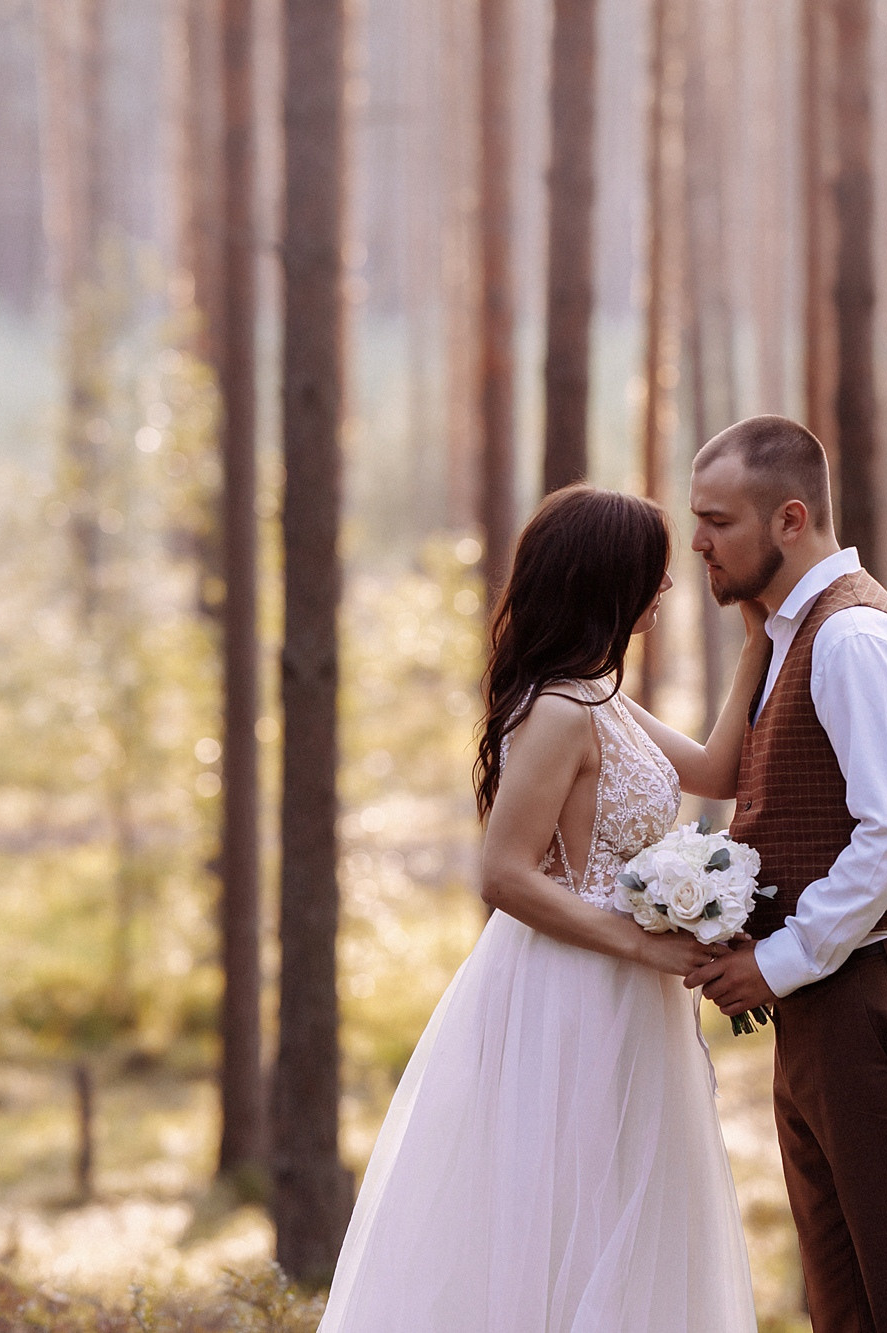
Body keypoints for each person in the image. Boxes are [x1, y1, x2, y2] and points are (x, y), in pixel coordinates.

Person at [316, 484, 769, 1332]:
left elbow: (716, 770)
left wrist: (756, 641)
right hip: (570, 992)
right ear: (610, 580)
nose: (667, 587)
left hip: (631, 995)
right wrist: (646, 945)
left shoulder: (602, 697)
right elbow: (506, 876)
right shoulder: (560, 710)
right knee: (565, 1205)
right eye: (654, 572)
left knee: (628, 1209)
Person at [683, 416, 887, 1333]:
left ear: (789, 519)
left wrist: (778, 960)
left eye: (717, 520)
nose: (697, 540)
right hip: (837, 1007)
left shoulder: (851, 633)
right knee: (848, 1311)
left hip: (878, 1005)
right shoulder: (790, 635)